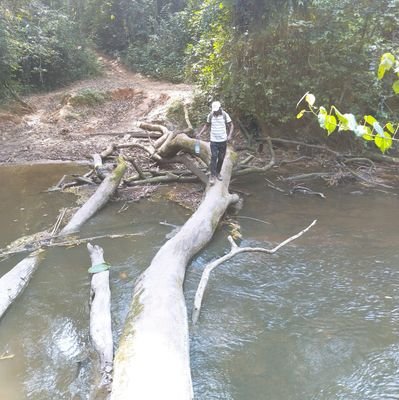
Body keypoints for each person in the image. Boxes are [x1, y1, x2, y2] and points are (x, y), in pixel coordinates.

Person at [197, 101, 234, 185]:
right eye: (214, 110)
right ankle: (213, 175)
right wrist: (200, 133)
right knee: (214, 157)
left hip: (223, 140)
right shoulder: (210, 115)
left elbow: (231, 125)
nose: (215, 112)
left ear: (220, 108)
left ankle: (218, 172)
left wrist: (230, 135)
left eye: (217, 110)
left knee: (221, 158)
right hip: (213, 140)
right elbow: (207, 125)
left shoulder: (225, 115)